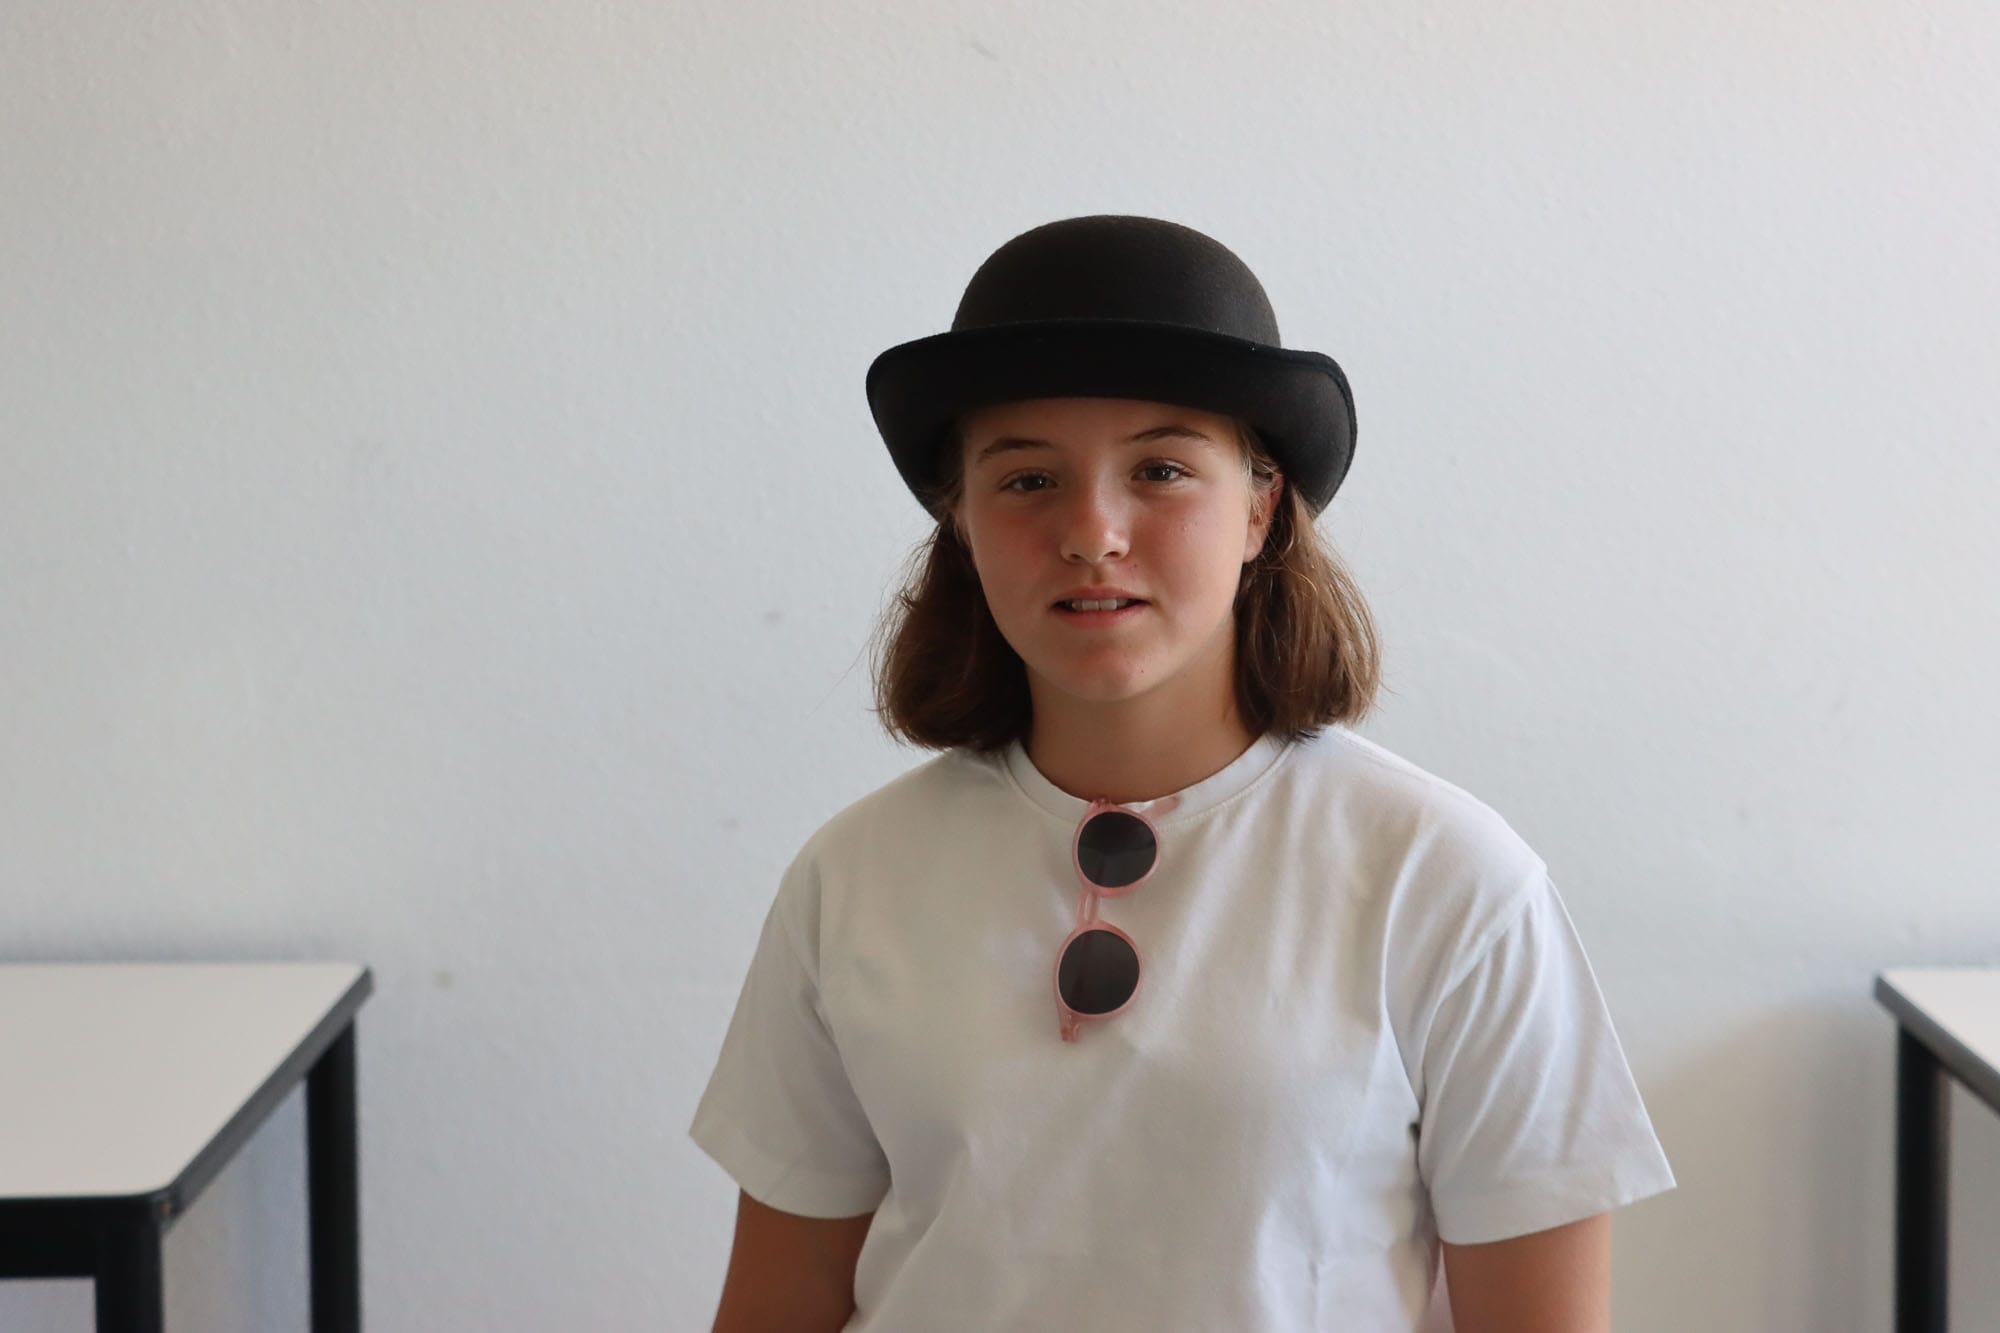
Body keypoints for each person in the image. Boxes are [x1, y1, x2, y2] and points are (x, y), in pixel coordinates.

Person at [690, 215, 1675, 1331]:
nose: (1092, 532)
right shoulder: (853, 876)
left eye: (1160, 469)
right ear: (958, 521)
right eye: (1026, 478)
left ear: (1260, 506)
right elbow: (778, 1302)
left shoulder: (1446, 879)